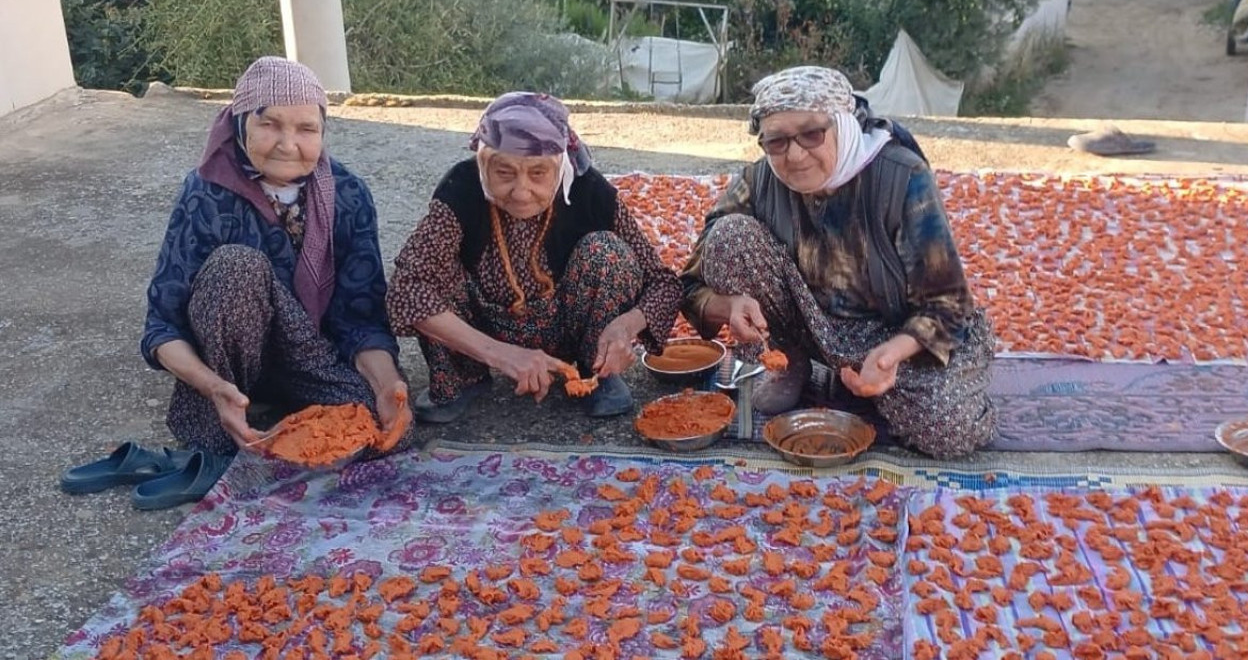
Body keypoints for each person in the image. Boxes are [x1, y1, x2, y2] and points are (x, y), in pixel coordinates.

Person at [680, 66, 996, 459]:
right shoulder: (759, 181)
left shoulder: (901, 178)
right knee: (729, 236)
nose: (795, 155)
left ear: (845, 125)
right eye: (776, 141)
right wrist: (729, 307)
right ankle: (789, 363)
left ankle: (873, 385)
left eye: (812, 134)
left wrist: (891, 356)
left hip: (895, 334)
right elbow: (689, 285)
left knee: (949, 430)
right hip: (815, 328)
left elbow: (948, 303)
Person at [135, 56, 408, 508]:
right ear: (240, 124)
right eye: (270, 125)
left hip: (311, 356)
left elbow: (361, 318)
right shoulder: (206, 192)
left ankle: (284, 409)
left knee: (379, 430)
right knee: (236, 267)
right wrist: (213, 386)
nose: (288, 144)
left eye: (306, 129)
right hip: (225, 368)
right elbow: (161, 329)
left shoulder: (349, 194)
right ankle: (228, 414)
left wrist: (385, 386)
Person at [387, 92, 681, 421]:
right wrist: (501, 354)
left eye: (538, 173)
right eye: (504, 173)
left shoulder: (589, 192)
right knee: (430, 267)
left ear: (560, 168)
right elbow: (405, 290)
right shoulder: (462, 189)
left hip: (567, 327)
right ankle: (460, 377)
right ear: (483, 164)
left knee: (607, 253)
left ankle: (595, 374)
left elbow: (664, 283)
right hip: (481, 328)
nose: (522, 192)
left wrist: (625, 327)